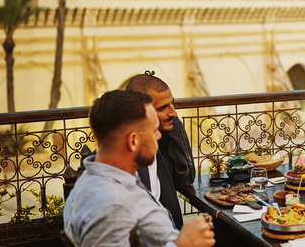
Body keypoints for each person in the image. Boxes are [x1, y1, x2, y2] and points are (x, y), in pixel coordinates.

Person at [64, 90, 214, 247]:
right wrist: (183, 243)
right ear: (133, 141)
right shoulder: (110, 204)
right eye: (153, 130)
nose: (159, 136)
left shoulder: (101, 177)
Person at [126, 72, 196, 228]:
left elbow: (185, 178)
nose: (174, 112)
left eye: (172, 104)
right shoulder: (127, 161)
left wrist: (173, 125)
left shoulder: (159, 144)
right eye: (163, 107)